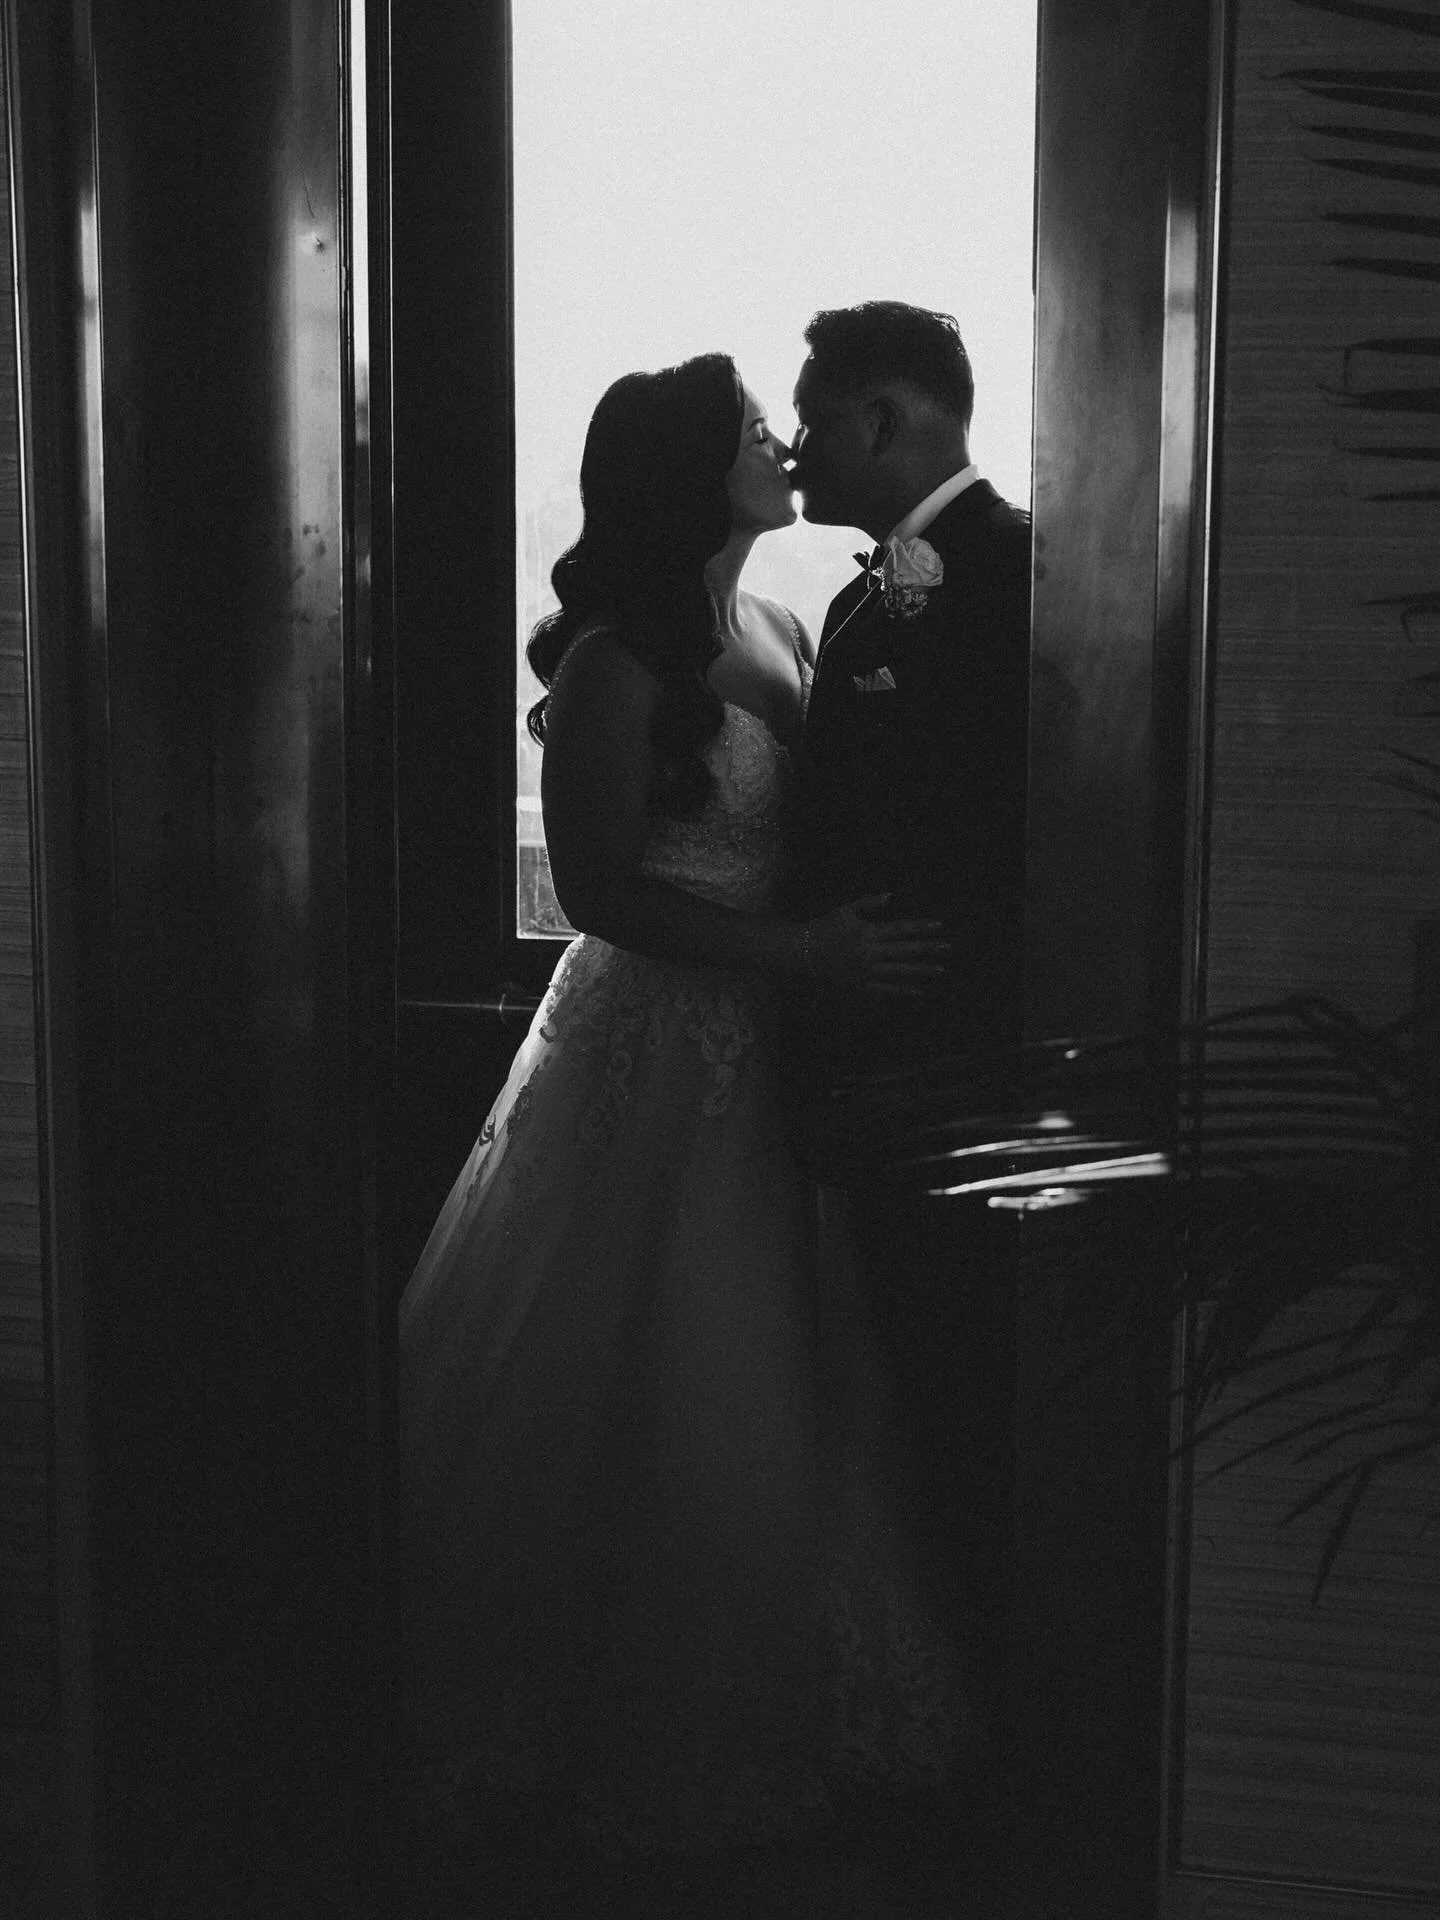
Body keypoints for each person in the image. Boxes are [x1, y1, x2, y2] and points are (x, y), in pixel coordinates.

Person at [398, 351, 967, 1870]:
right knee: (651, 1359)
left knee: (783, 1362)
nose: (781, 444)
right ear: (686, 474)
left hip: (779, 1047)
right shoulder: (613, 664)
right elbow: (593, 891)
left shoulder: (778, 619)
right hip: (660, 1044)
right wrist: (800, 952)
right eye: (749, 432)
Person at [786, 301, 1032, 1775]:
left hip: (960, 1072)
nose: (803, 444)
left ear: (884, 421)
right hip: (855, 1070)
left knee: (957, 1400)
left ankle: (990, 1733)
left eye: (817, 416)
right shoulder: (854, 605)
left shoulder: (1022, 572)